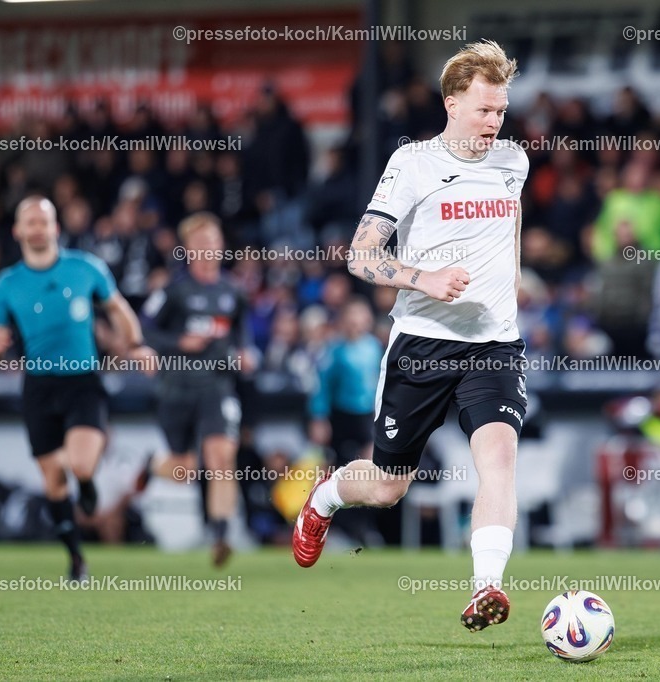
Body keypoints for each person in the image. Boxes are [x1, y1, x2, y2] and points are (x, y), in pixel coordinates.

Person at [292, 40, 529, 633]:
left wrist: (513, 281)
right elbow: (360, 255)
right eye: (483, 110)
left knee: (498, 458)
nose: (494, 123)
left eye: (501, 110)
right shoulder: (412, 164)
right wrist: (424, 277)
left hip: (495, 346)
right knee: (388, 487)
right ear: (451, 104)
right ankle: (324, 498)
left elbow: (512, 225)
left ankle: (487, 586)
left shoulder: (514, 162)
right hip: (422, 345)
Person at [0, 195, 154, 581]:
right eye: (31, 222)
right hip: (38, 386)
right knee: (54, 479)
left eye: (44, 221)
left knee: (79, 463)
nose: (38, 228)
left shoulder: (85, 268)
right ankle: (76, 559)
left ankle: (88, 482)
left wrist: (137, 345)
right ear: (18, 231)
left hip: (82, 381)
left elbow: (117, 308)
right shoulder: (5, 286)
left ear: (56, 228)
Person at [136, 212, 256, 567]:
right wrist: (178, 342)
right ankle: (151, 466)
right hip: (176, 386)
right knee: (185, 469)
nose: (209, 249)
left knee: (222, 459)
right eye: (201, 243)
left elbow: (241, 335)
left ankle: (220, 535)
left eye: (214, 242)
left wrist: (245, 354)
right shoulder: (174, 290)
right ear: (188, 250)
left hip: (217, 386)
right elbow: (145, 329)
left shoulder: (232, 291)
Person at [308, 296, 384, 544]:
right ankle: (331, 524)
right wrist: (319, 418)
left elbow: (382, 384)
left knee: (369, 467)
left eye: (360, 318)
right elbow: (322, 387)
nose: (355, 324)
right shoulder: (334, 349)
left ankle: (362, 525)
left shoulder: (373, 347)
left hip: (365, 415)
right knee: (335, 468)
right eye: (351, 319)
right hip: (340, 415)